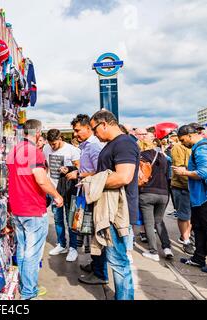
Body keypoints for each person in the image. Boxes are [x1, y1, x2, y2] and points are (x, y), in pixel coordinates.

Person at [82, 110, 137, 300]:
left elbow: (123, 176)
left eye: (94, 128)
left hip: (117, 212)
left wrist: (92, 183)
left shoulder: (124, 143)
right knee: (115, 259)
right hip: (109, 210)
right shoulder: (113, 144)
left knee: (119, 261)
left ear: (104, 124)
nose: (94, 133)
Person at [7, 119, 64, 299]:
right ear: (38, 133)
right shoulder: (34, 152)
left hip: (17, 208)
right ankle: (29, 292)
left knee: (23, 251)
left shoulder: (13, 150)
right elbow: (41, 179)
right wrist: (57, 195)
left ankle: (25, 287)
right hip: (32, 208)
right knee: (31, 254)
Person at [66, 115, 108, 284]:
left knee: (95, 235)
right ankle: (95, 265)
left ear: (88, 128)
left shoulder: (94, 147)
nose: (75, 134)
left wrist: (79, 173)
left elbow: (101, 172)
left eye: (78, 130)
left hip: (93, 195)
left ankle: (100, 273)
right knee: (87, 232)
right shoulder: (85, 146)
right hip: (85, 193)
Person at [43, 129, 81, 262]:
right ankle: (62, 244)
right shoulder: (46, 148)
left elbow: (80, 169)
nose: (52, 147)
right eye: (51, 144)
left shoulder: (72, 150)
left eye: (55, 144)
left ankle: (73, 248)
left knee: (71, 220)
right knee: (58, 219)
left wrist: (69, 170)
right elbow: (46, 167)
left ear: (61, 138)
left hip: (69, 190)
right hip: (54, 190)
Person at [173, 125, 207, 272]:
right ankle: (198, 258)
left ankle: (199, 258)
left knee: (204, 229)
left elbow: (203, 173)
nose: (181, 143)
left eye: (182, 139)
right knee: (198, 229)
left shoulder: (201, 148)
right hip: (198, 198)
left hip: (203, 198)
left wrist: (184, 172)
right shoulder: (198, 148)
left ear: (189, 135)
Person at [139, 139, 174, 261]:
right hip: (163, 193)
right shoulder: (163, 157)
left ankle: (153, 251)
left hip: (147, 193)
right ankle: (167, 248)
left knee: (149, 223)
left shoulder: (142, 156)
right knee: (159, 221)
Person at [171, 134, 195, 255]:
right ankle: (186, 241)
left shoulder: (195, 146)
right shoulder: (177, 147)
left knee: (191, 216)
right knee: (184, 215)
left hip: (194, 187)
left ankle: (186, 236)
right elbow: (179, 169)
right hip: (182, 187)